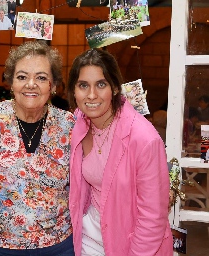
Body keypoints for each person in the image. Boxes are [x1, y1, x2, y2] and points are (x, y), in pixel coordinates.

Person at [66, 48, 172, 255]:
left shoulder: (144, 139)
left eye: (101, 84)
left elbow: (152, 217)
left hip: (130, 240)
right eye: (83, 85)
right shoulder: (77, 122)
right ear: (73, 90)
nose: (91, 95)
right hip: (88, 236)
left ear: (115, 88)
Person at [0, 41, 75, 255]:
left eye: (41, 77)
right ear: (11, 83)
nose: (31, 84)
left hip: (57, 246)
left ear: (53, 85)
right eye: (22, 77)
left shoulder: (70, 125)